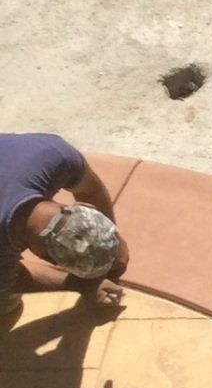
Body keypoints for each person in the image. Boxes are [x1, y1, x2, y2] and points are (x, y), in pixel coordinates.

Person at [1, 133, 128, 318]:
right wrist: (83, 284)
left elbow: (91, 189)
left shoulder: (56, 156)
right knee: (5, 303)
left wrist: (112, 247)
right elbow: (12, 281)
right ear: (44, 257)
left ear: (84, 206)